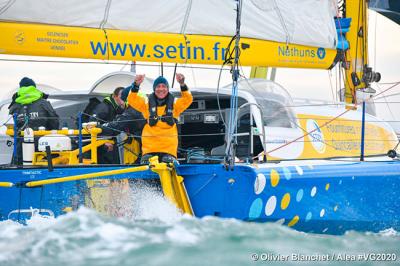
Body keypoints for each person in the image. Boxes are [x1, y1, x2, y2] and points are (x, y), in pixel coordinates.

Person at [128, 73, 193, 164]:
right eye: (158, 86)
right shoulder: (146, 103)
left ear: (167, 88)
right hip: (149, 150)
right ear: (154, 89)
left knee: (168, 163)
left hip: (168, 151)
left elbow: (188, 99)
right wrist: (136, 84)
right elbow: (131, 99)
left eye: (164, 86)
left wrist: (182, 84)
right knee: (147, 163)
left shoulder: (175, 104)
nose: (161, 89)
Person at [8, 77, 59, 164]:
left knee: (19, 169)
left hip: (21, 147)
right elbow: (55, 123)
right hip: (43, 146)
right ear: (34, 87)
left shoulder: (15, 105)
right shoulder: (44, 103)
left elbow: (15, 128)